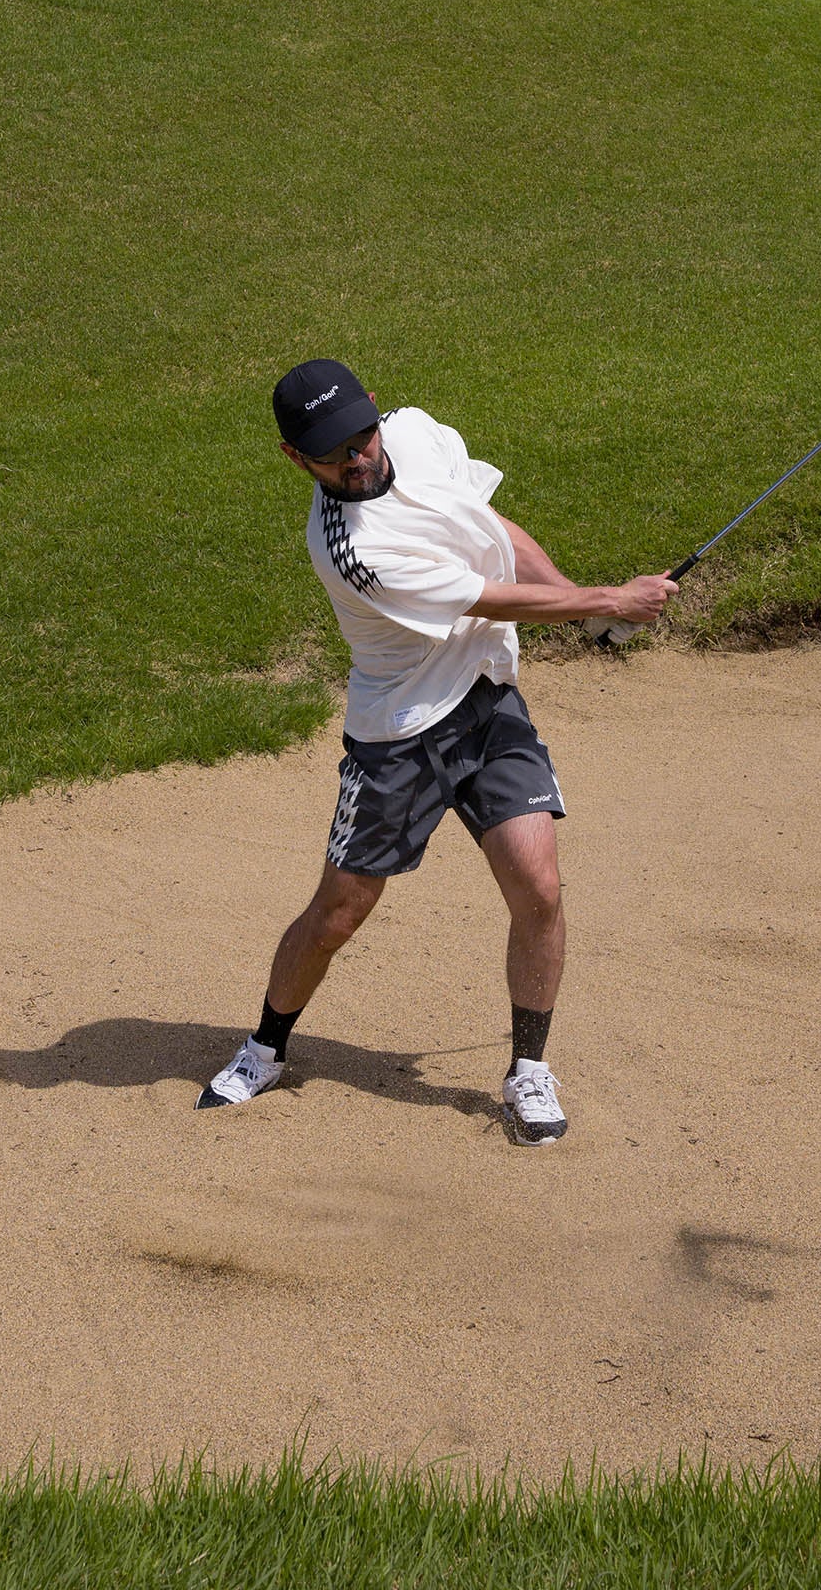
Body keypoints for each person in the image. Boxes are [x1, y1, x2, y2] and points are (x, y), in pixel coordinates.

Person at [197, 360, 678, 1145]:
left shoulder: (418, 436)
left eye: (362, 435)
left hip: (487, 701)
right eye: (333, 453)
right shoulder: (352, 549)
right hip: (401, 735)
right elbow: (483, 595)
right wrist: (607, 601)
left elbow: (491, 537)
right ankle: (266, 1046)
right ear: (294, 460)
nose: (357, 458)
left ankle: (528, 1071)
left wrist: (586, 602)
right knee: (336, 916)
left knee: (540, 887)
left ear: (378, 412)